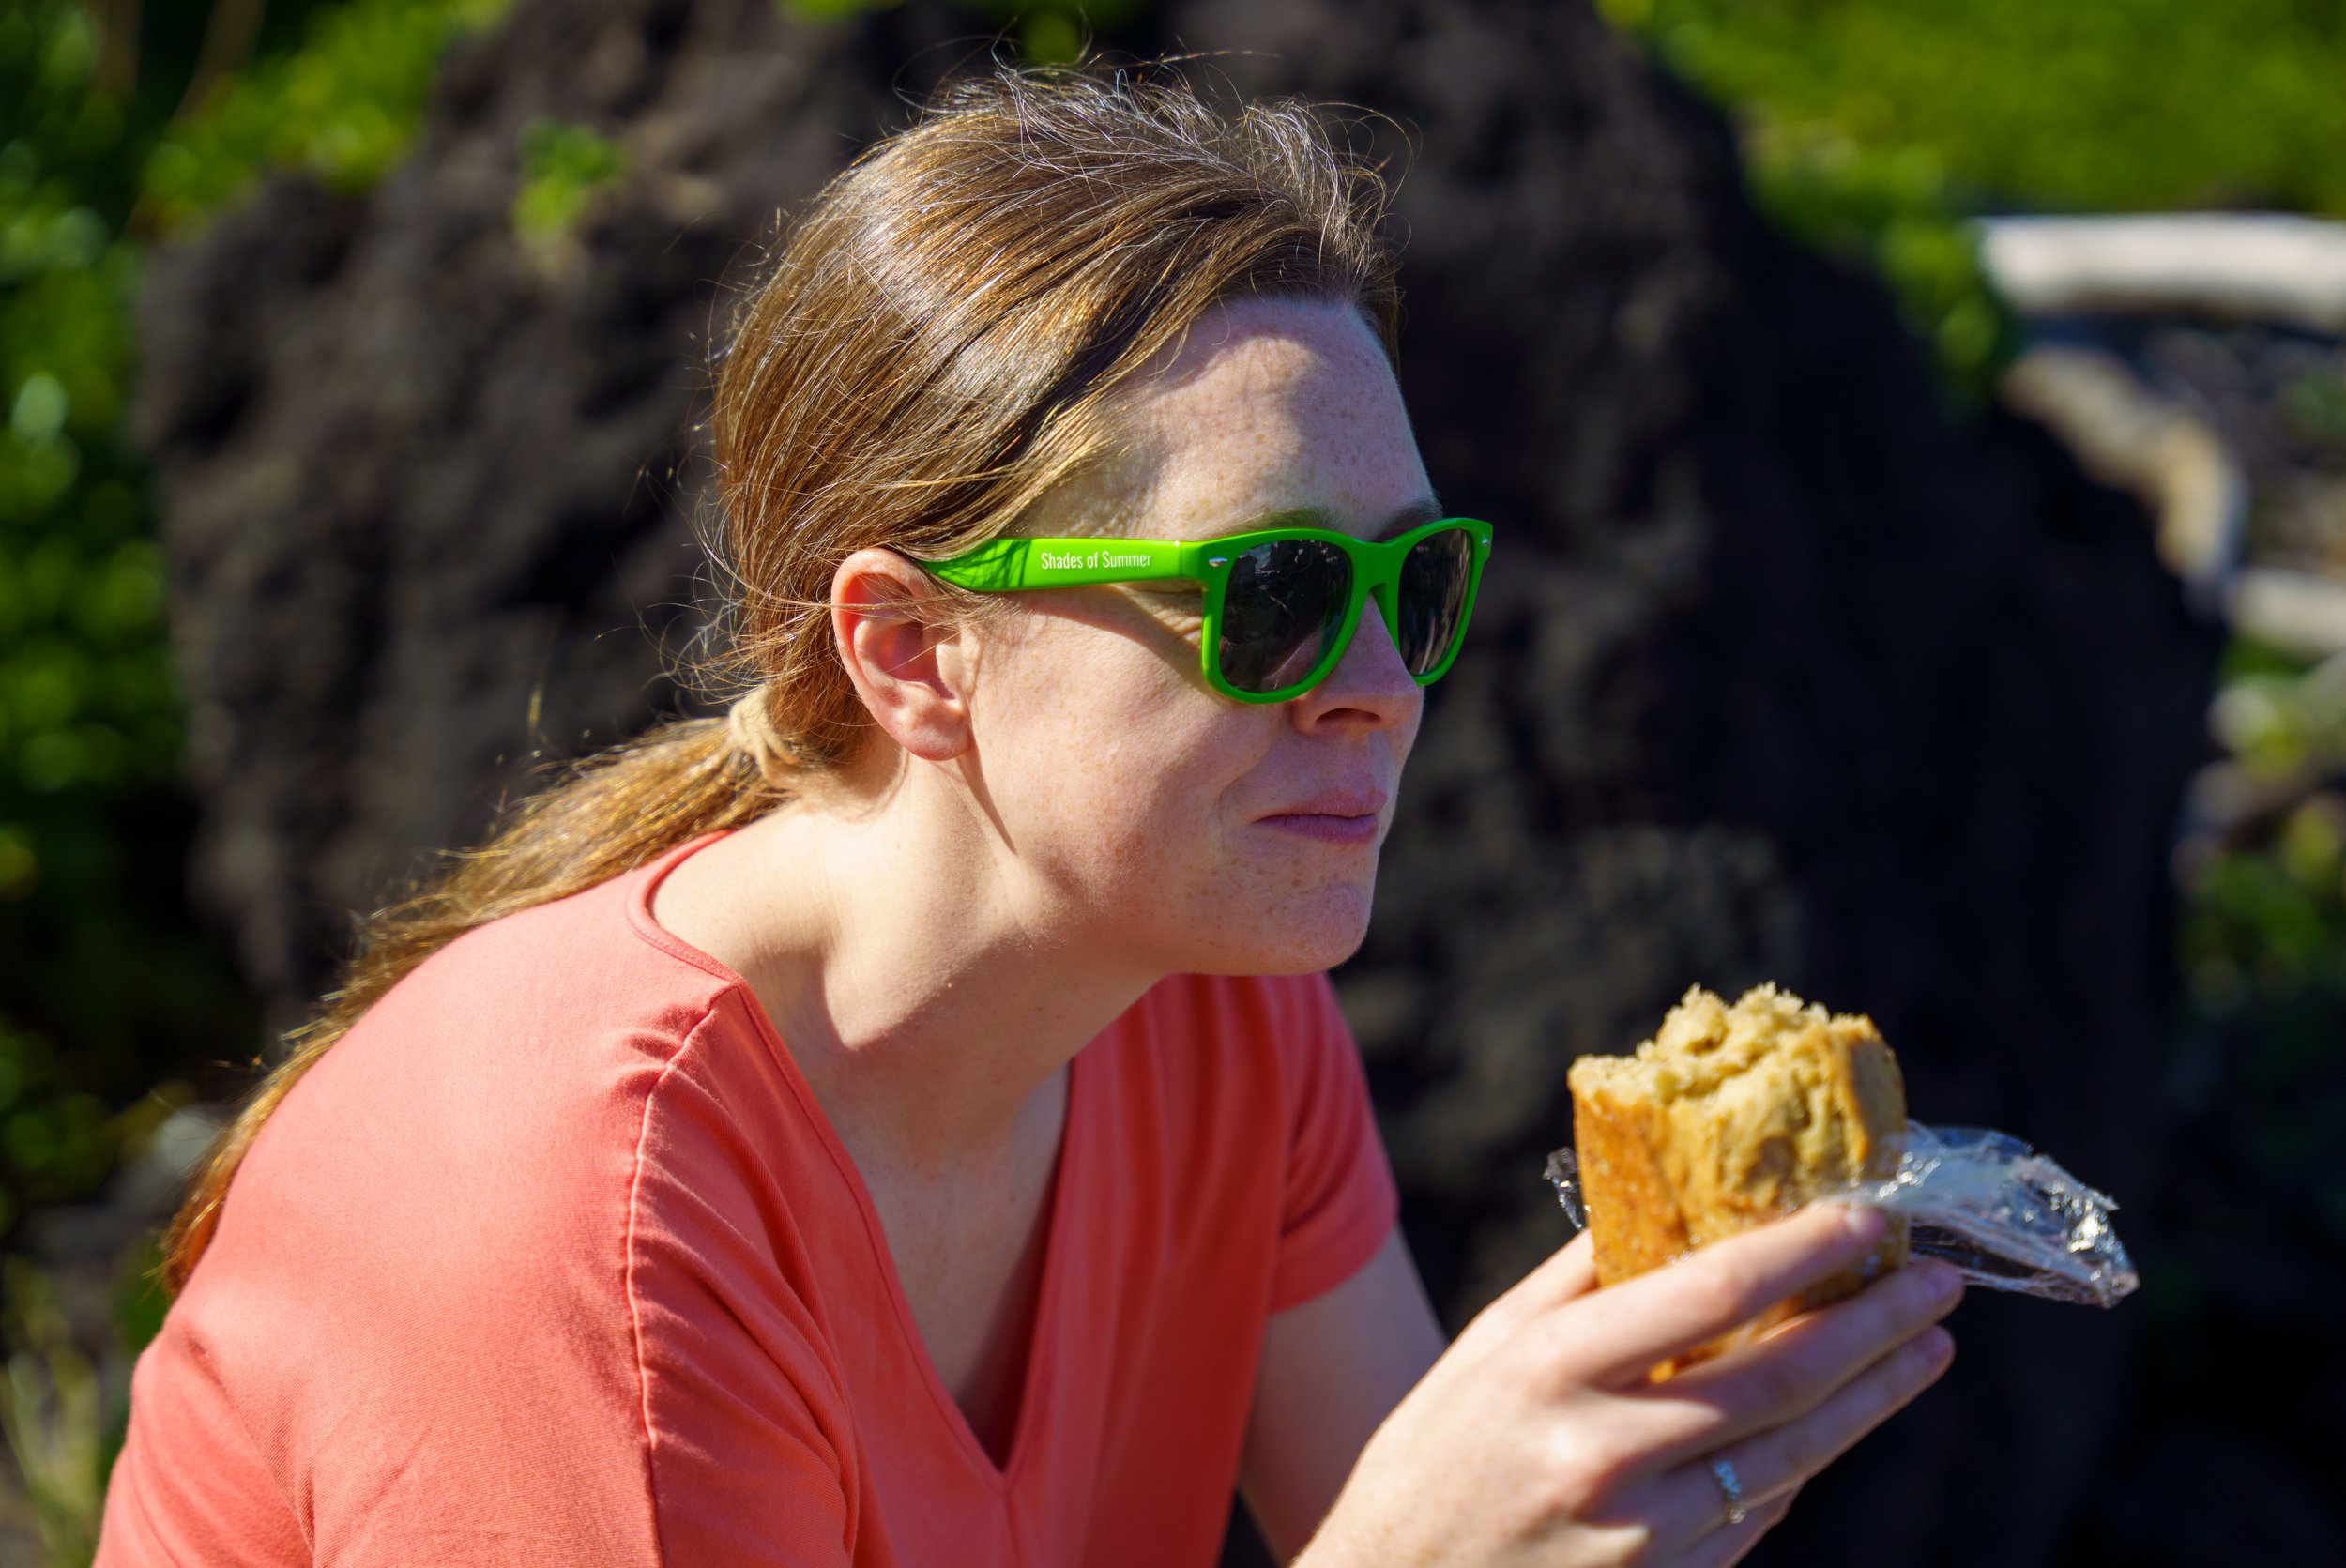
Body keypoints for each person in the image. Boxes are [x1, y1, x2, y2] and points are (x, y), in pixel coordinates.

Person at [95, 64, 1961, 1568]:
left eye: (1419, 584)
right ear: (913, 651)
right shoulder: (589, 1219)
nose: (1381, 683)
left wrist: (1647, 1448)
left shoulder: (1213, 1003)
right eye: (1274, 593)